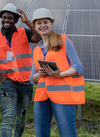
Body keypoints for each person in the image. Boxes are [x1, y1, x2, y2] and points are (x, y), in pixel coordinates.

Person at [0, 3, 41, 137]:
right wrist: (0, 78)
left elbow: (40, 39)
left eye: (10, 18)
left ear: (16, 20)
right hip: (8, 84)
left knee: (22, 118)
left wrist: (27, 21)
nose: (6, 20)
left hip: (26, 84)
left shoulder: (25, 33)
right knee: (8, 118)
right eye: (4, 17)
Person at [30, 8, 85, 137]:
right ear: (35, 26)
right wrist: (40, 73)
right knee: (40, 134)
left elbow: (78, 67)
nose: (42, 25)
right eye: (39, 23)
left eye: (45, 22)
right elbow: (32, 79)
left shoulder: (63, 40)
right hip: (41, 97)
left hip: (63, 97)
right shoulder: (36, 49)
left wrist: (60, 74)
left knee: (67, 134)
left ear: (51, 23)